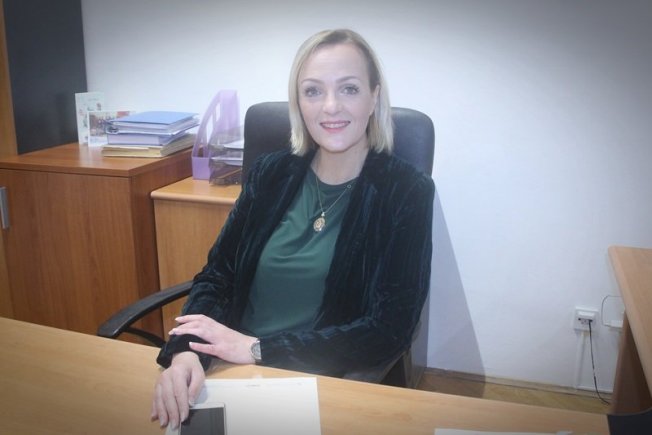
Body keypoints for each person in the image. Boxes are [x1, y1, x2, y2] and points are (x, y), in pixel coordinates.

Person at [151, 28, 435, 429]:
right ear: (298, 103)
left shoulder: (404, 191)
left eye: (349, 89)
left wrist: (257, 349)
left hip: (322, 381)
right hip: (230, 371)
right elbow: (218, 276)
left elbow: (390, 328)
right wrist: (185, 353)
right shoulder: (271, 173)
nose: (330, 106)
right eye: (313, 91)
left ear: (374, 97)